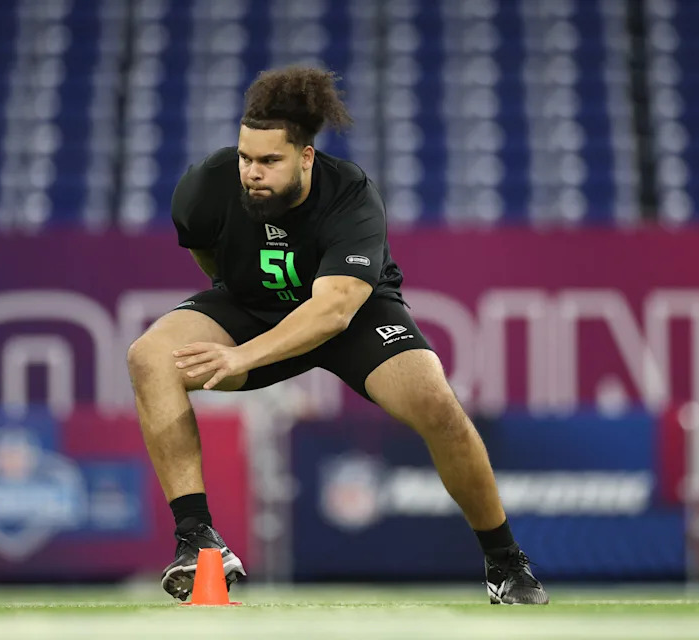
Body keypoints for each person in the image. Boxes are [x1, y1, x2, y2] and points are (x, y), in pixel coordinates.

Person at [126, 66, 549, 605]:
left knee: (437, 404)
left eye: (270, 161)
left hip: (352, 316)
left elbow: (332, 312)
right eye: (245, 158)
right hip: (253, 305)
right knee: (149, 356)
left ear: (305, 157)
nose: (252, 172)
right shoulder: (205, 187)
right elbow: (208, 258)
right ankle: (196, 539)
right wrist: (240, 312)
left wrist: (242, 355)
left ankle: (505, 562)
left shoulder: (350, 194)